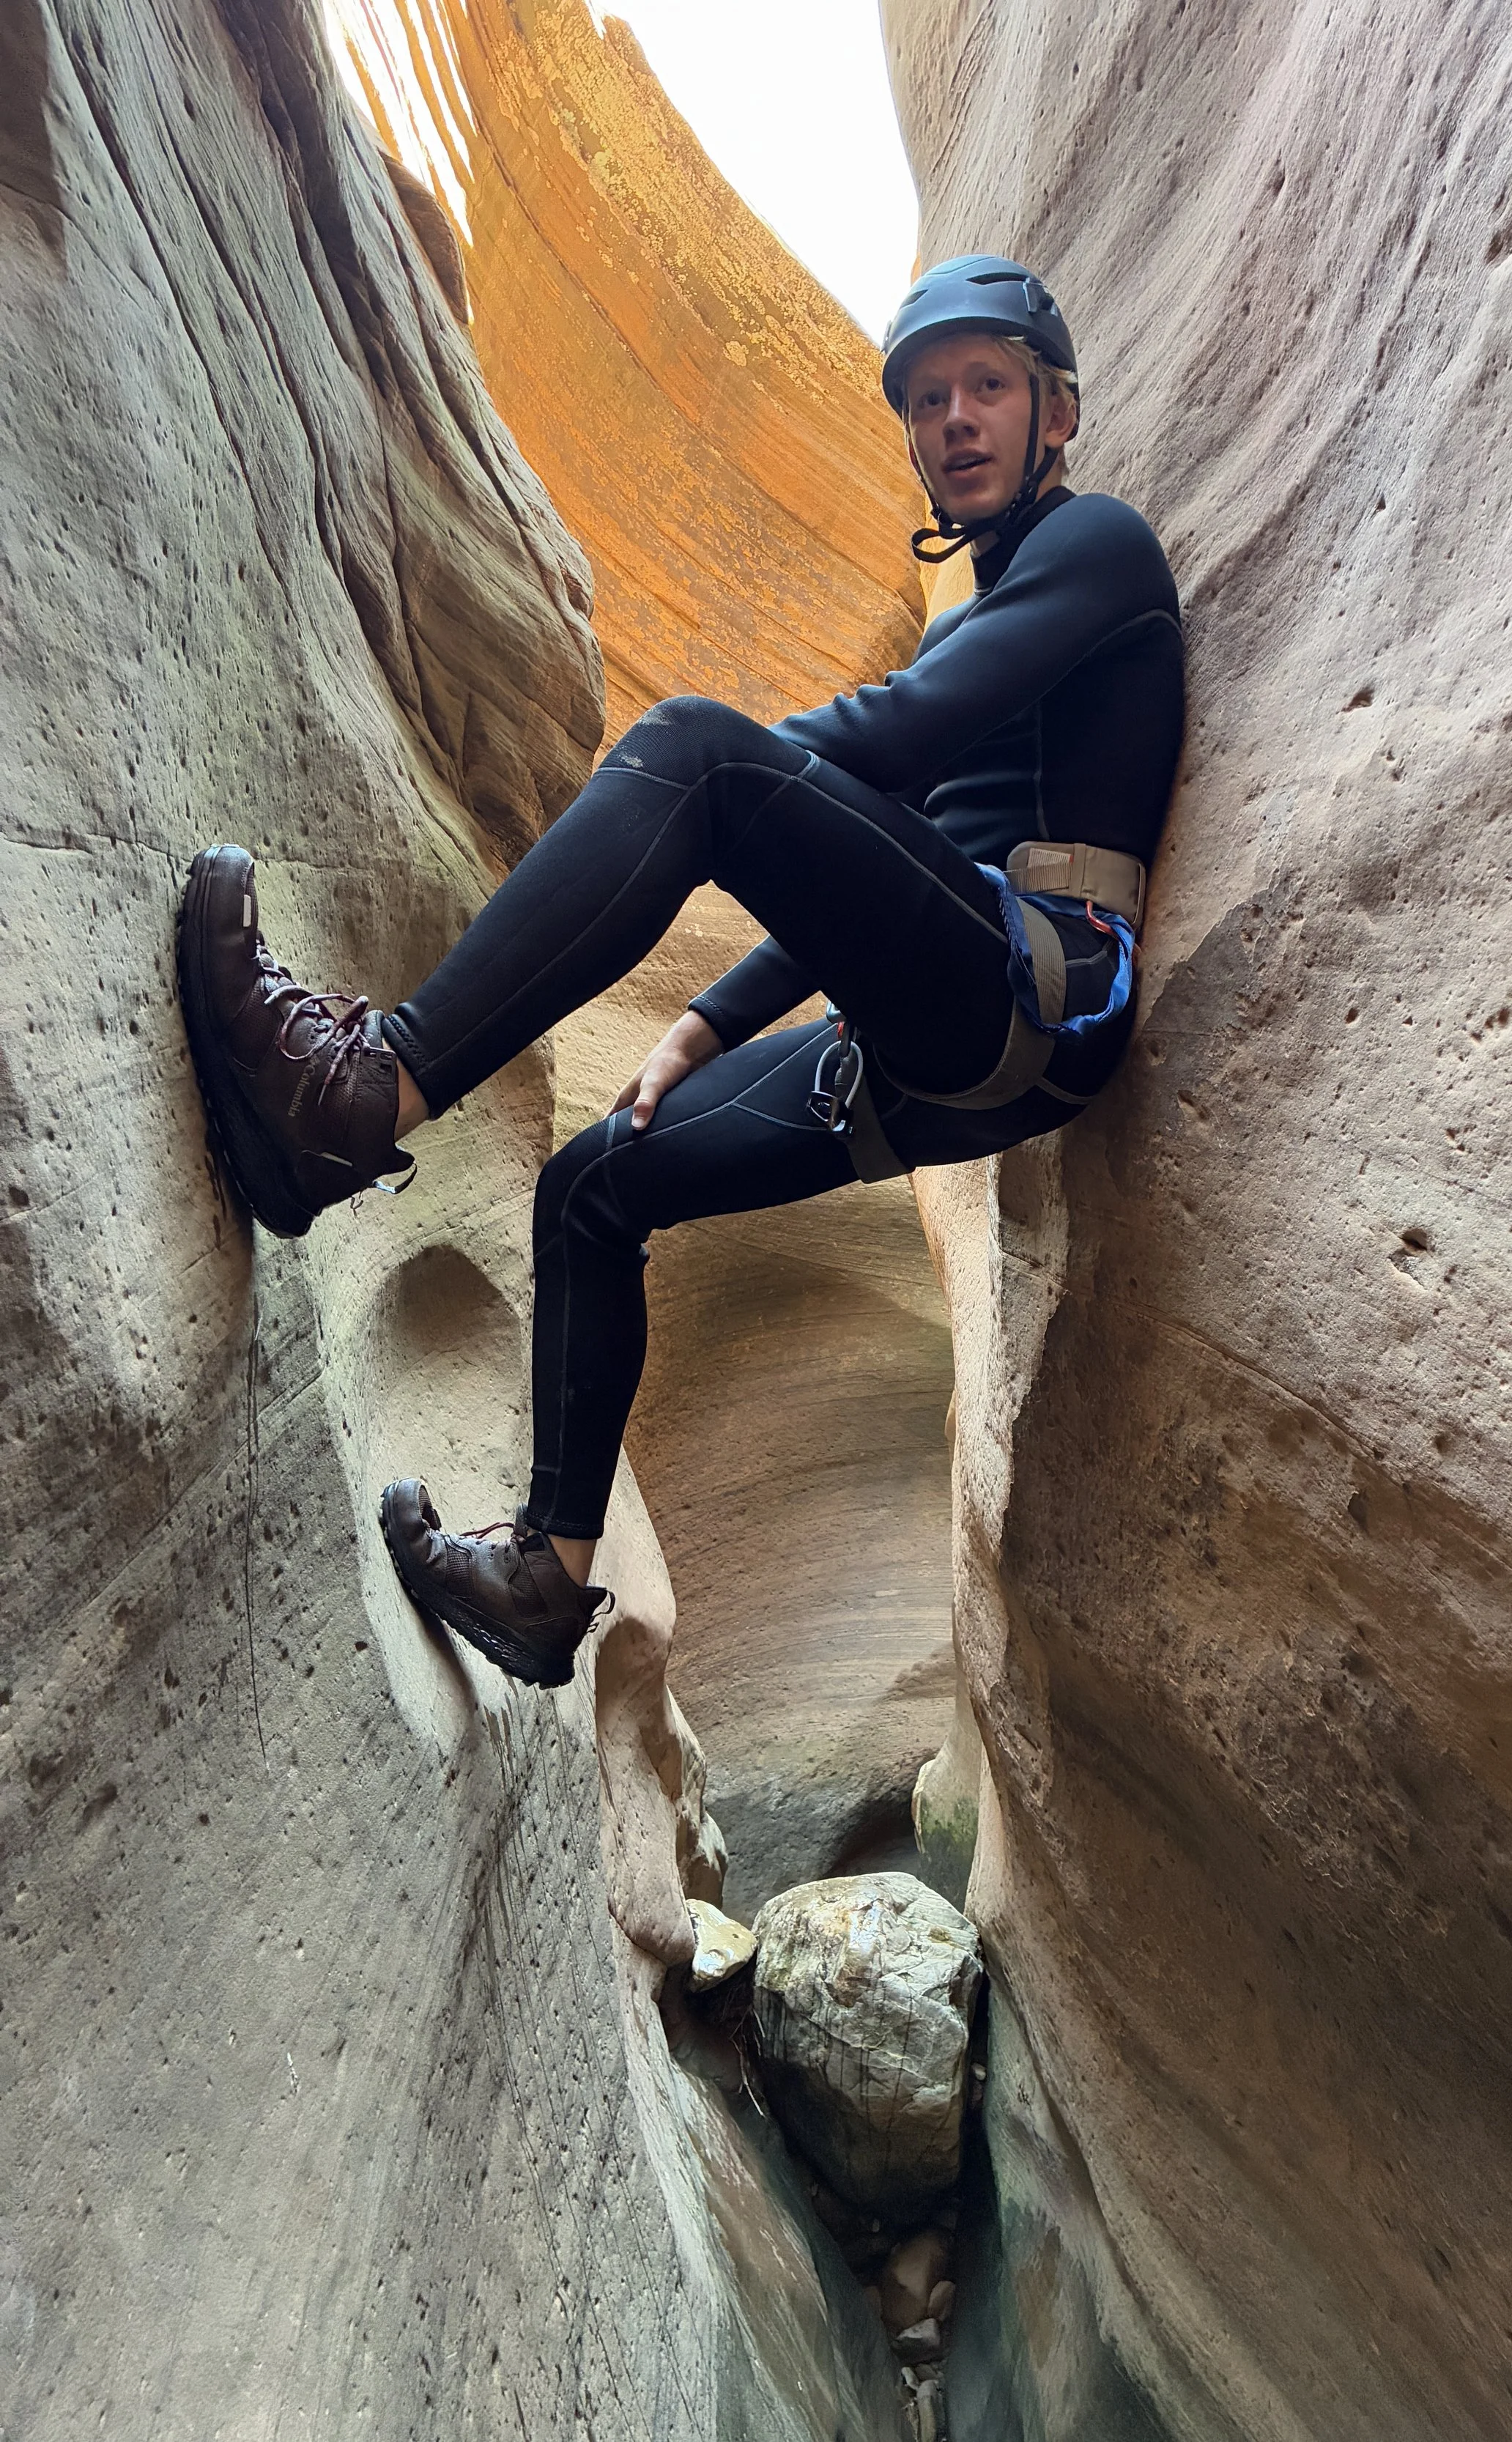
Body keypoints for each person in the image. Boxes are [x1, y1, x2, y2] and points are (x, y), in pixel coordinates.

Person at [177, 256, 1185, 1690]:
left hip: (1036, 993)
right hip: (938, 1028)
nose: (951, 419)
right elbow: (890, 856)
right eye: (924, 398)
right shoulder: (979, 622)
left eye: (987, 387)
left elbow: (883, 754)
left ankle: (360, 1090)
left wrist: (722, 780)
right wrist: (705, 1027)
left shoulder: (1099, 549)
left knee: (698, 746)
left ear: (1055, 411)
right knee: (595, 1179)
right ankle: (544, 1574)